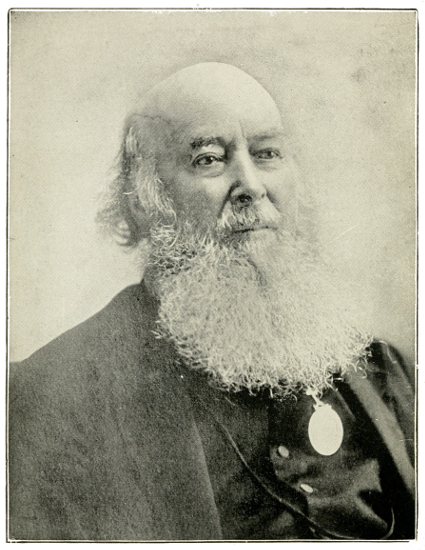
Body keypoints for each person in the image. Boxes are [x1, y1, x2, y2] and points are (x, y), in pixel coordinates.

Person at [8, 62, 415, 541]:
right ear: (143, 202)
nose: (251, 185)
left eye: (267, 153)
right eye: (209, 159)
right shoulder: (54, 396)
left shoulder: (380, 369)